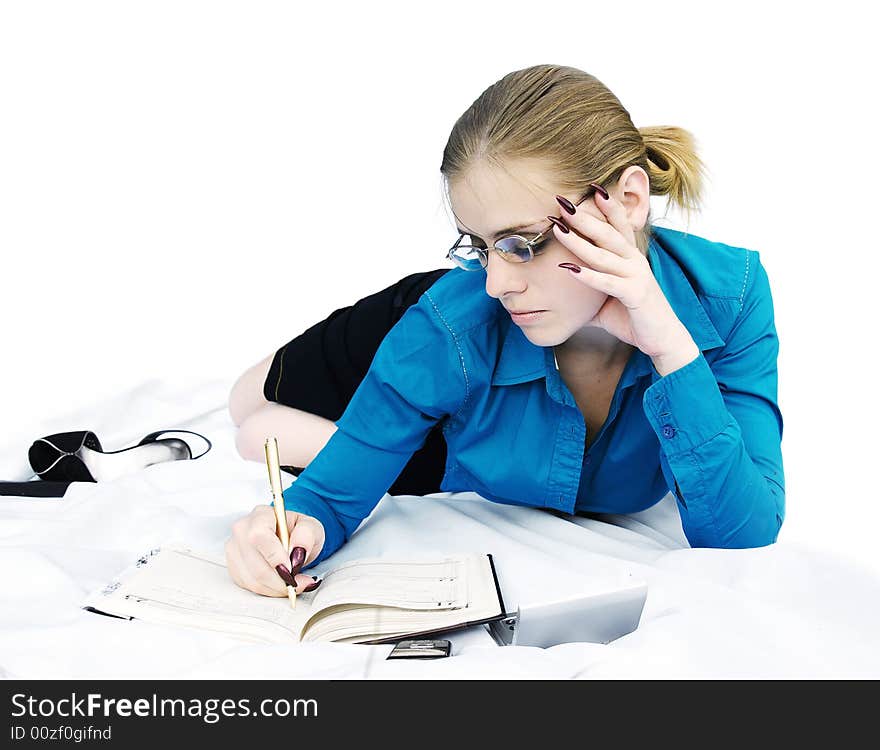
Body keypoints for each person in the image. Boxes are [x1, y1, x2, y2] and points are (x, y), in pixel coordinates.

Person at [225, 64, 785, 598]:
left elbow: (744, 536)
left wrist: (669, 346)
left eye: (521, 243)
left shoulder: (731, 297)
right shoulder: (457, 316)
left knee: (263, 437)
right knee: (246, 407)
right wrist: (292, 525)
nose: (497, 279)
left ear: (628, 201)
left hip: (470, 406)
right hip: (427, 330)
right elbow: (326, 499)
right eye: (479, 243)